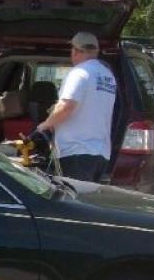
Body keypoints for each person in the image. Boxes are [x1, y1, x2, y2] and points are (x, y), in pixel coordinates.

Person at [32, 31, 117, 182]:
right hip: (101, 153)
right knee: (87, 196)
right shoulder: (107, 76)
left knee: (73, 195)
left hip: (77, 151)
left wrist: (45, 125)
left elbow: (66, 106)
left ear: (76, 51)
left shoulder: (79, 73)